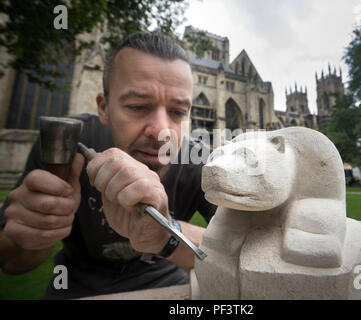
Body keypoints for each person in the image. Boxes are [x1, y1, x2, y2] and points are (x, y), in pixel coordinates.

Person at [0, 32, 217, 299]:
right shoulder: (65, 145)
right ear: (104, 107)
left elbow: (250, 253)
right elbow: (11, 263)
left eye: (177, 112)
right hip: (76, 288)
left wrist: (166, 235)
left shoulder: (200, 163)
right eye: (138, 106)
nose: (162, 132)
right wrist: (36, 235)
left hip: (169, 288)